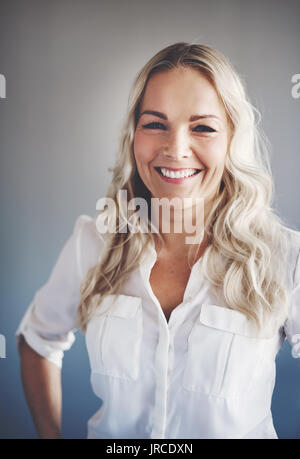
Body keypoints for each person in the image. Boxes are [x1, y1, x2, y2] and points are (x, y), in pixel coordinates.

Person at [16, 42, 300, 439]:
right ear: (134, 134)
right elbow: (37, 340)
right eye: (155, 123)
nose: (175, 149)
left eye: (202, 127)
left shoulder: (285, 257)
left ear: (232, 137)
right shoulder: (92, 242)